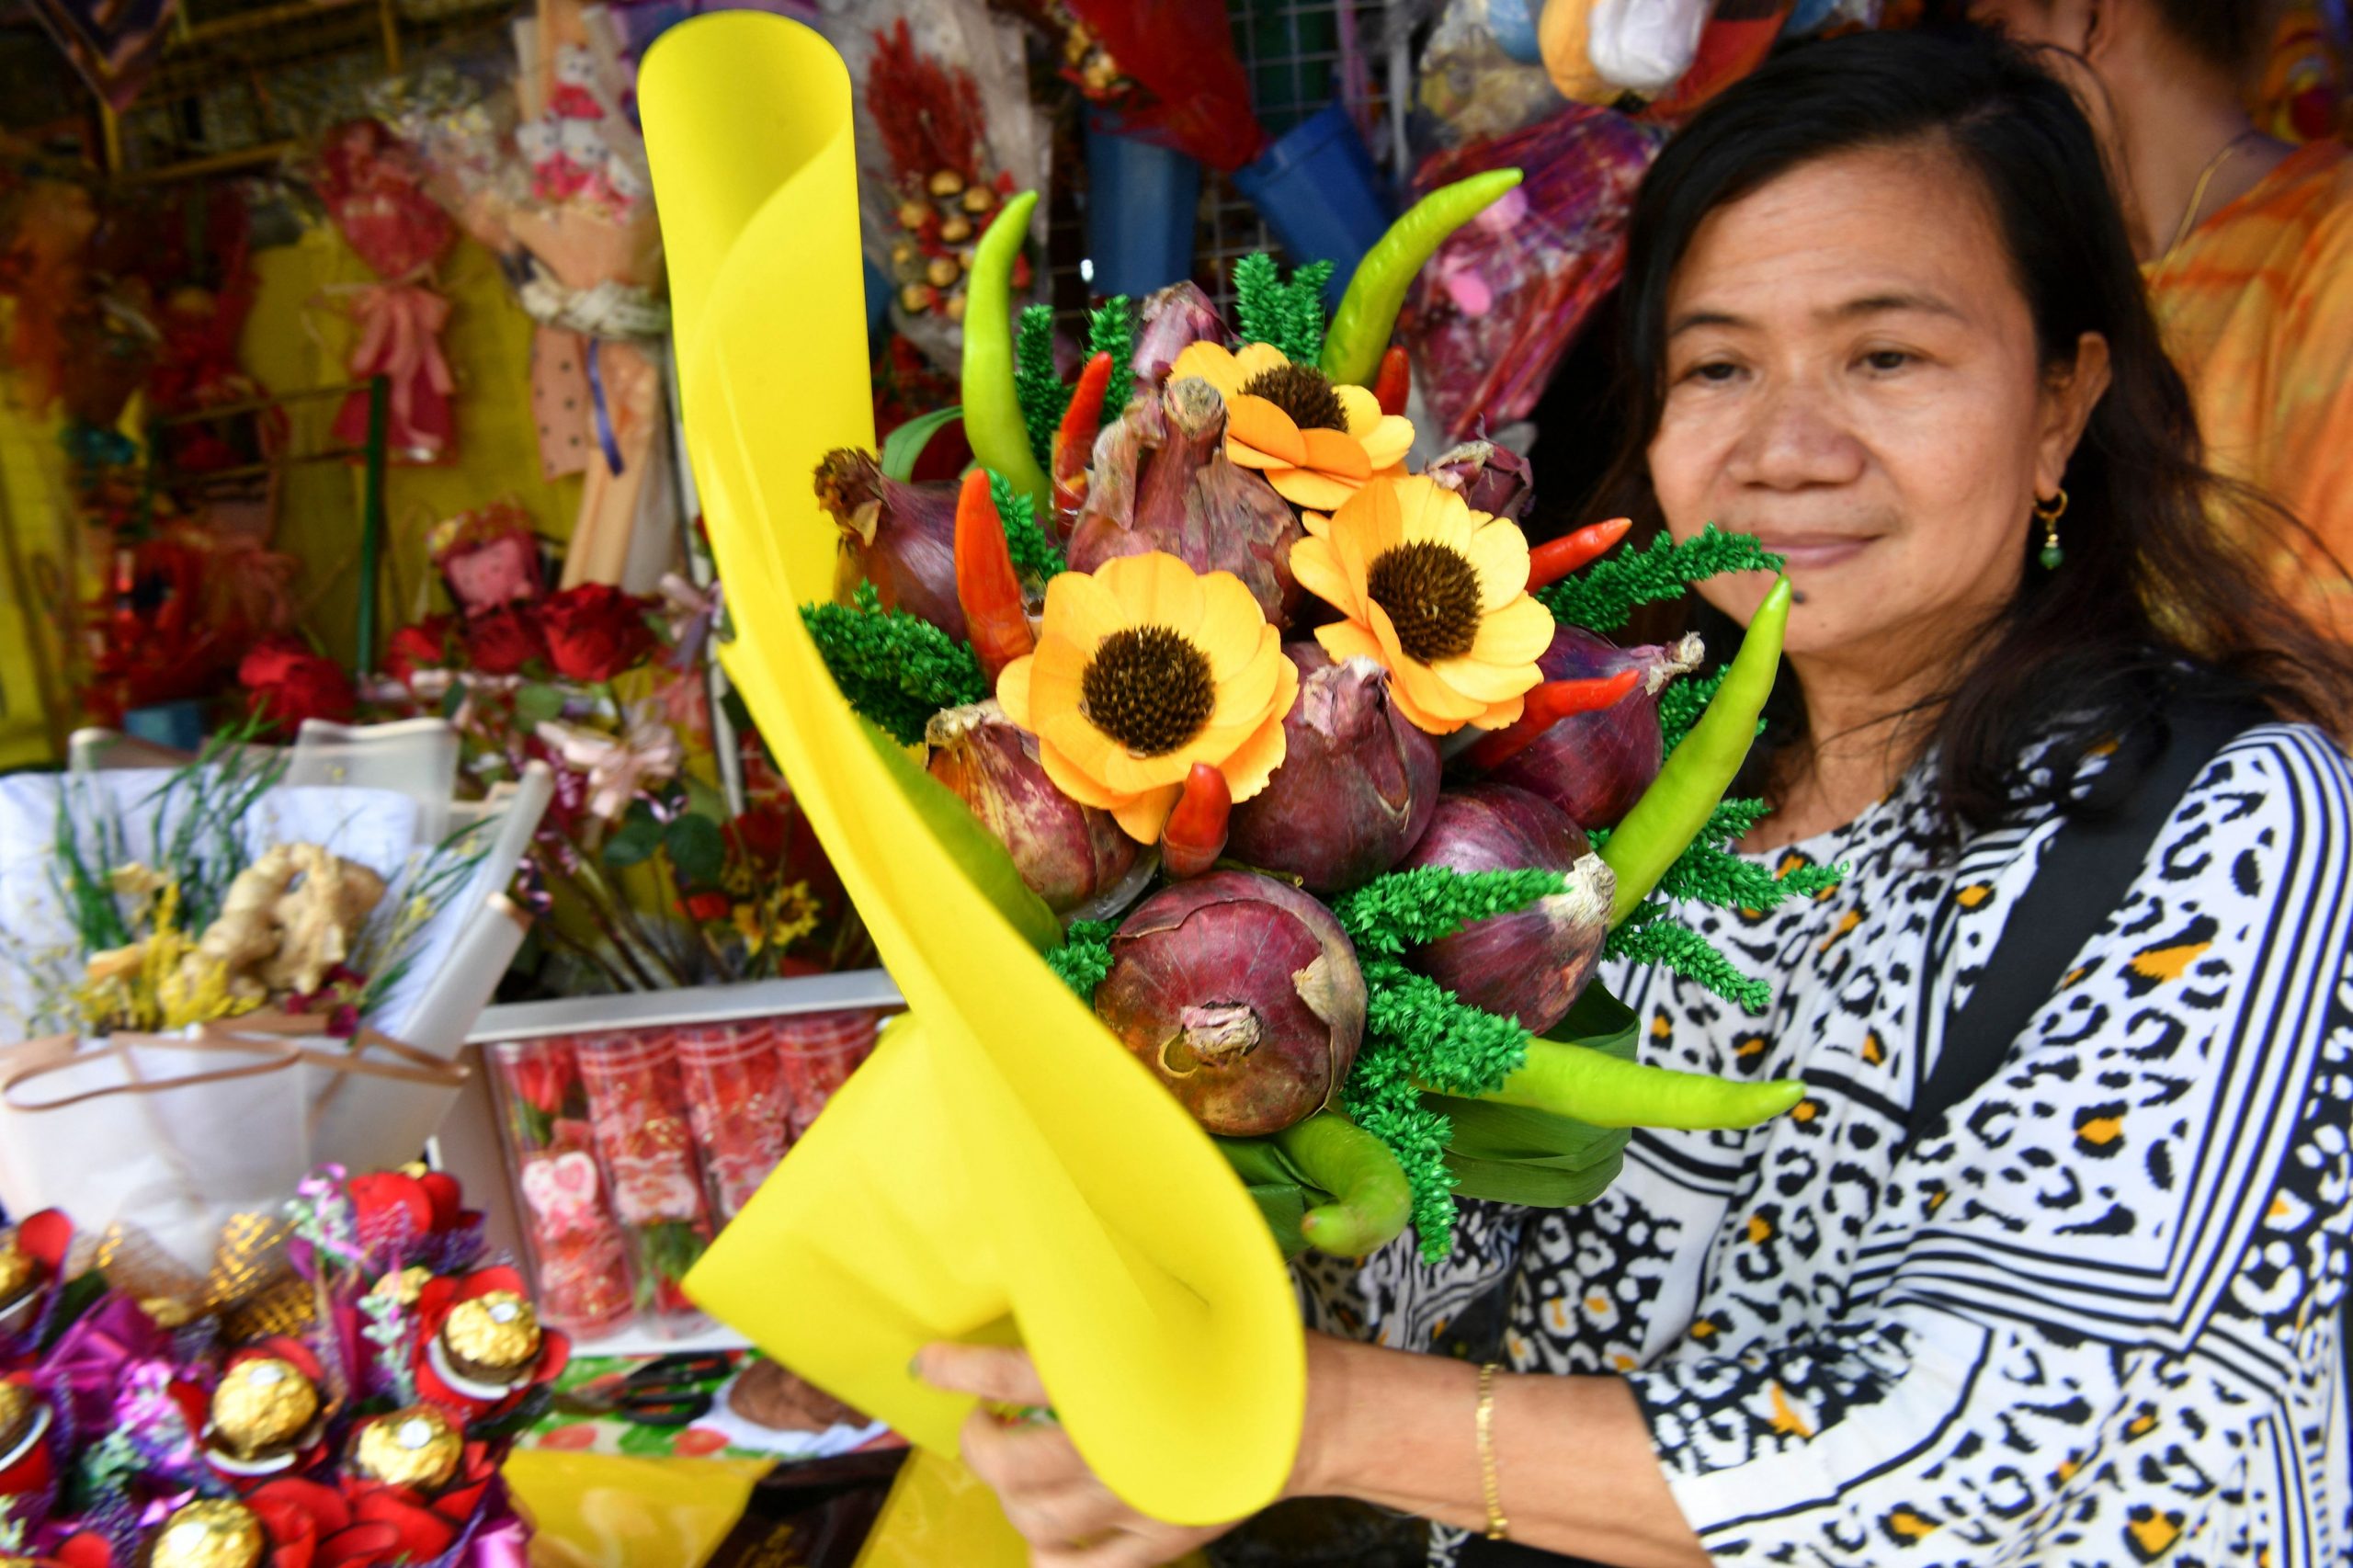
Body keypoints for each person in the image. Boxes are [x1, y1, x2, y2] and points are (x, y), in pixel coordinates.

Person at [915, 27, 2353, 1568]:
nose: (1789, 447)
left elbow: (1964, 1440)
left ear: (2062, 402)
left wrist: (1302, 1413)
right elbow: (1413, 1273)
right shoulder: (1611, 813)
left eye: (1889, 355)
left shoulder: (2234, 819)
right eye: (1720, 365)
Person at [1967, 0, 2353, 638]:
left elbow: (2328, 659)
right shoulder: (2021, 269)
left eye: (1990, 33)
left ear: (2090, 20)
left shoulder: (2334, 241)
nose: (1966, 77)